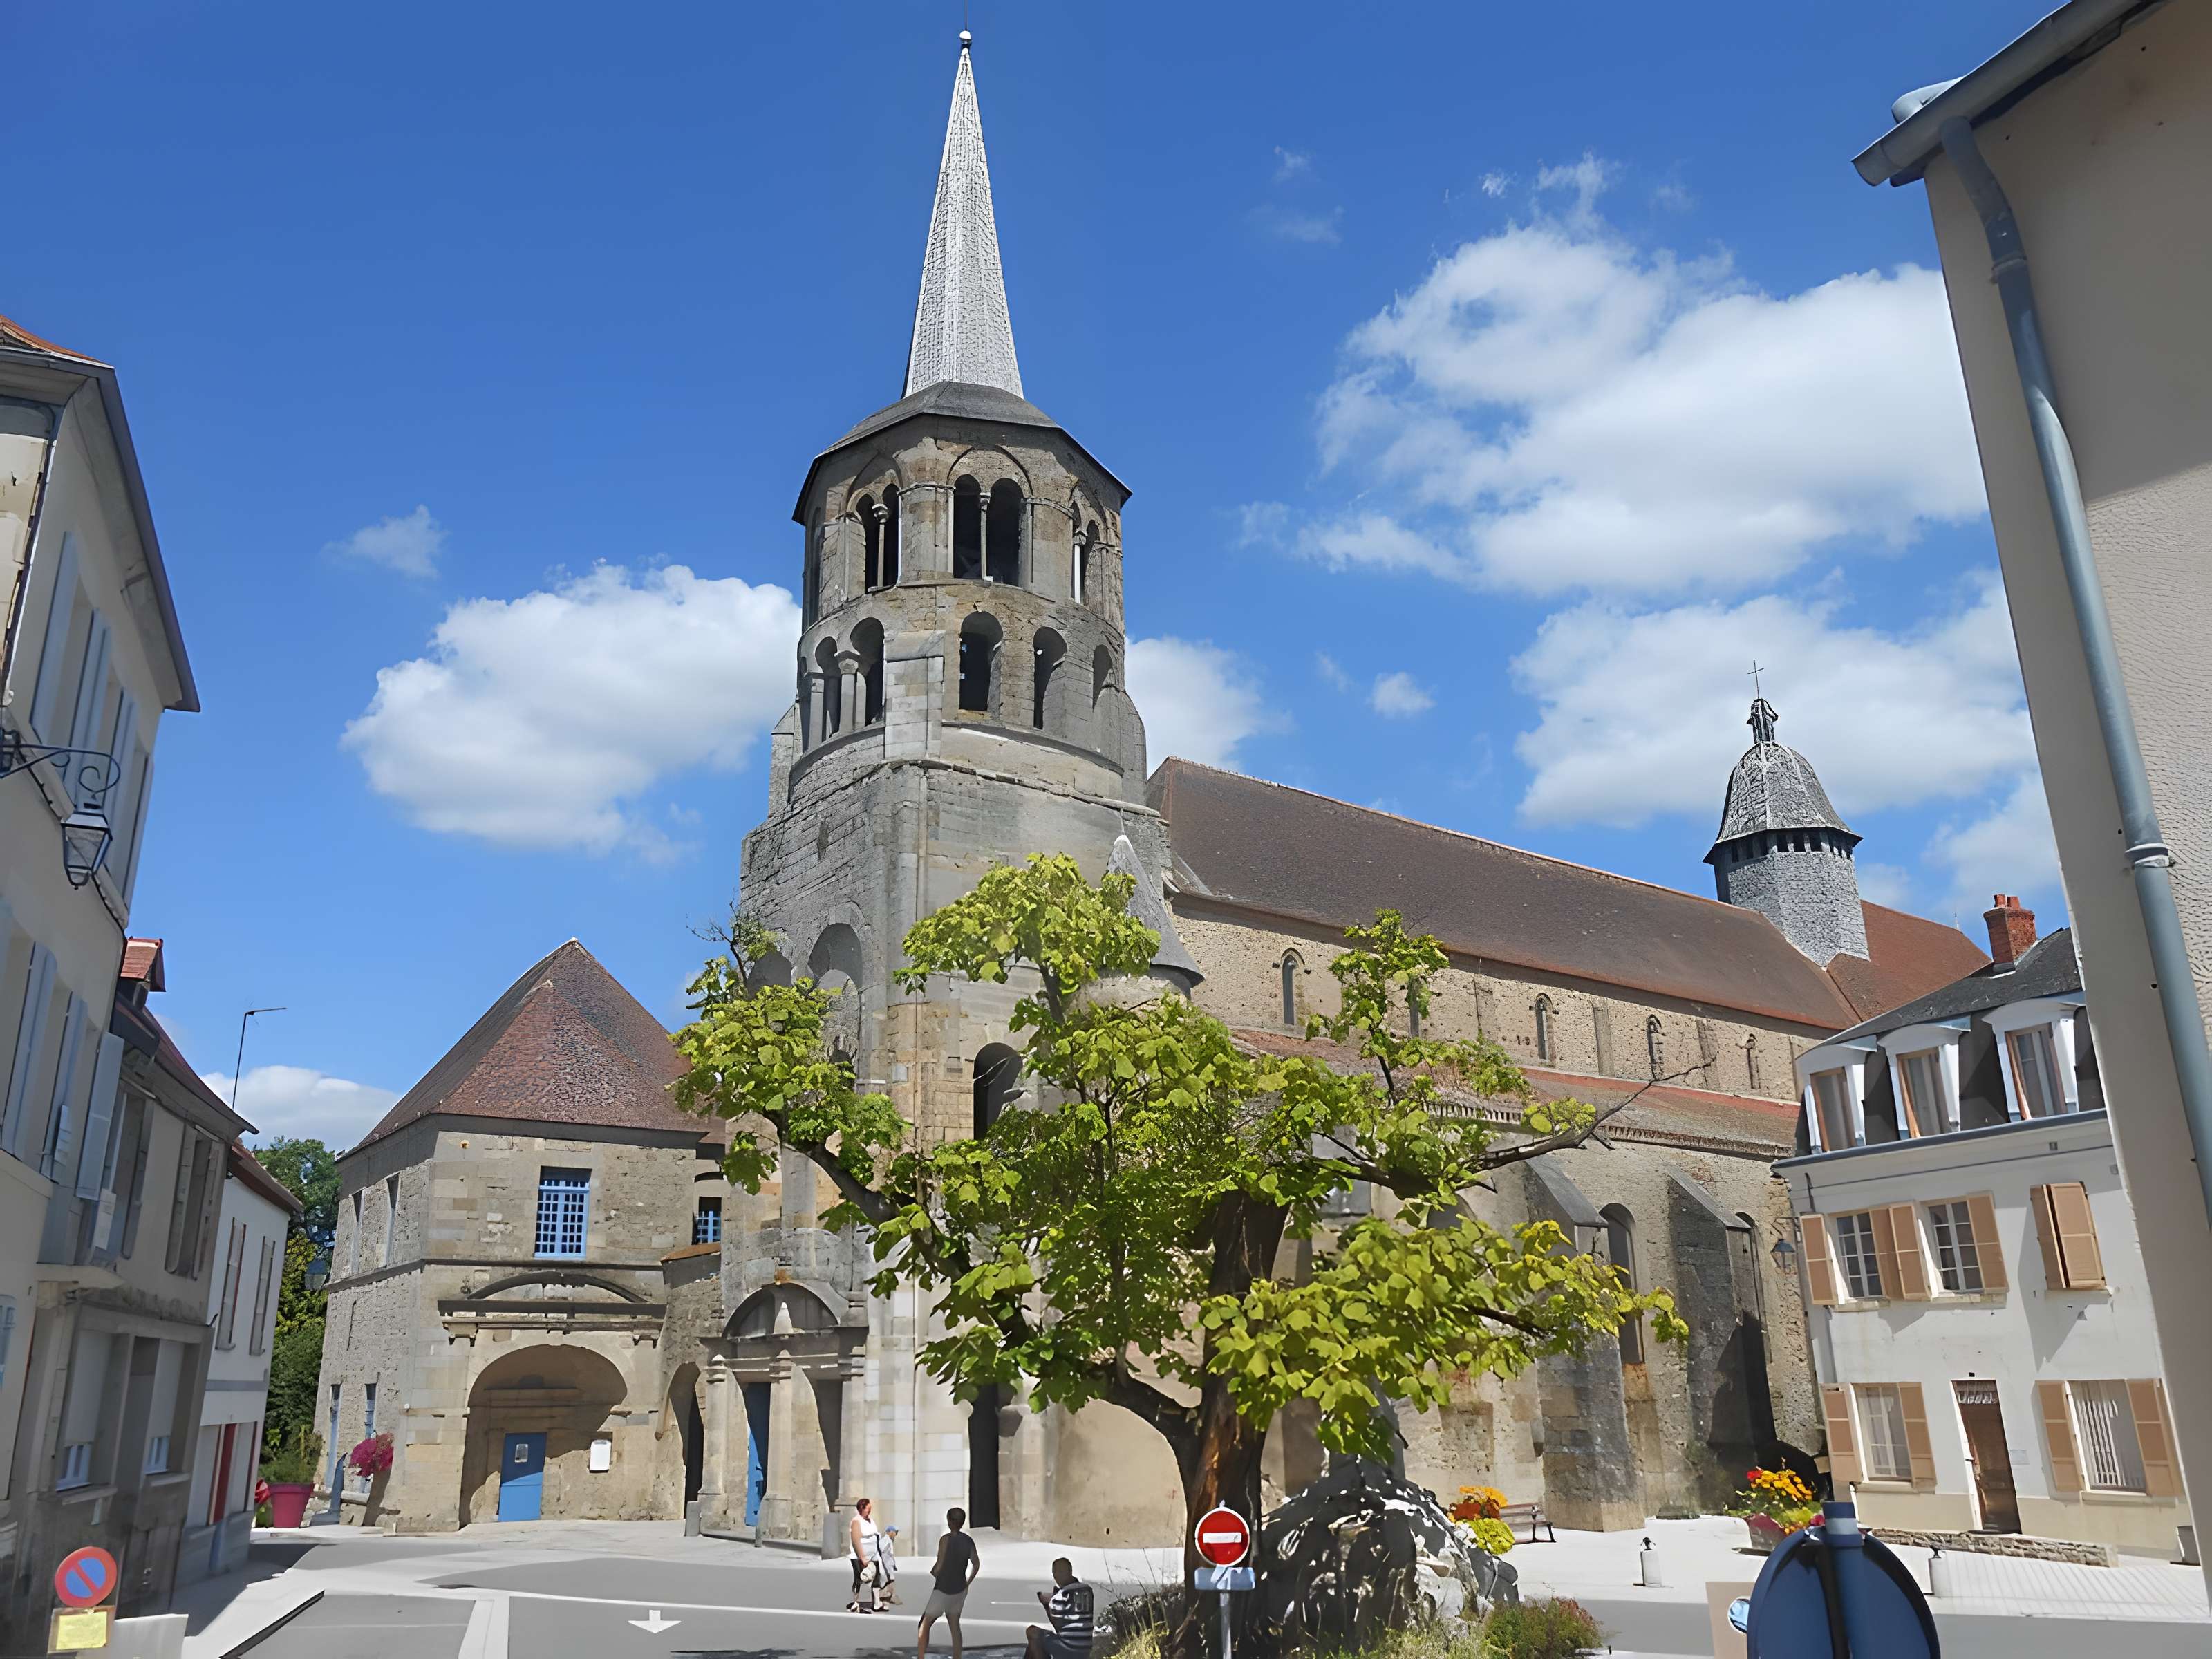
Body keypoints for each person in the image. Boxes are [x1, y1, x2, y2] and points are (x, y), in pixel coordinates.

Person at [917, 1506, 980, 1659]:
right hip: (959, 1589)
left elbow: (940, 1564)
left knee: (924, 1624)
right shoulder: (968, 1541)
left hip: (943, 1589)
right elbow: (976, 1565)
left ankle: (920, 1656)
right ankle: (957, 1657)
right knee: (955, 1627)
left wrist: (934, 1572)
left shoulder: (945, 1539)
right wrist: (967, 1583)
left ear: (950, 1521)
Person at [1025, 1558, 1094, 1659]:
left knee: (1033, 1632)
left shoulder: (1060, 1597)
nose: (1056, 1576)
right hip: (1086, 1648)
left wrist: (1046, 1604)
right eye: (1054, 1573)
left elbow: (1056, 1624)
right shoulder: (1087, 1590)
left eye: (1058, 1572)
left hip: (1069, 1647)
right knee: (1036, 1644)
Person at [848, 1497, 885, 1613]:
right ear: (861, 1509)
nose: (869, 1511)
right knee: (859, 1579)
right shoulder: (856, 1522)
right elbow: (856, 1541)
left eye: (870, 1509)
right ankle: (856, 1603)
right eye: (867, 1509)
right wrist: (862, 1557)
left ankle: (877, 1603)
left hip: (873, 1554)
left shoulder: (871, 1520)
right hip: (860, 1556)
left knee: (876, 1578)